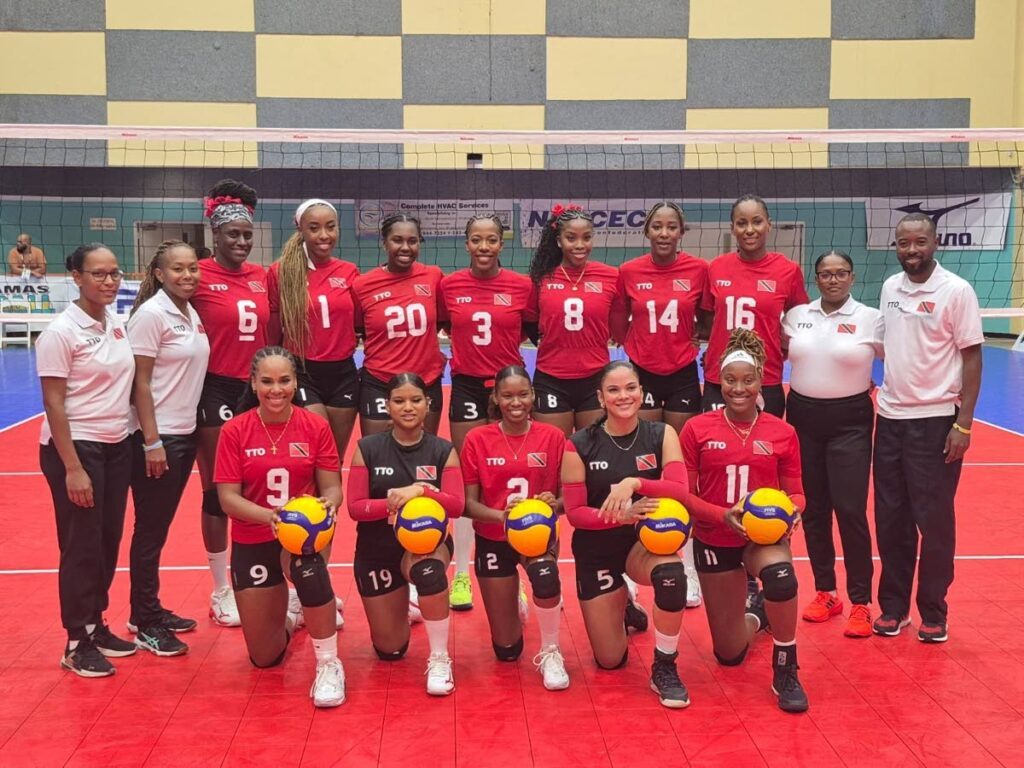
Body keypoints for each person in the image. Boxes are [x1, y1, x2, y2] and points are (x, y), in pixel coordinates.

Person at [681, 329, 809, 713]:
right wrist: (720, 515)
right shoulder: (697, 429)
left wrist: (792, 512)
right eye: (730, 380)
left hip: (761, 536)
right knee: (730, 654)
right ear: (718, 381)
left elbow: (797, 493)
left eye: (748, 380)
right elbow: (684, 495)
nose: (739, 389)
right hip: (714, 536)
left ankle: (786, 667)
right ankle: (757, 613)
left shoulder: (783, 432)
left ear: (761, 381)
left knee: (781, 577)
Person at [872, 212, 983, 643]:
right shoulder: (889, 287)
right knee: (891, 519)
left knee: (933, 522)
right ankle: (894, 608)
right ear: (896, 246)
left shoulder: (956, 290)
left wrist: (964, 424)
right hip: (890, 419)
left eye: (920, 242)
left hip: (936, 421)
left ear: (935, 243)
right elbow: (886, 344)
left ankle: (934, 611)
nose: (912, 250)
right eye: (904, 243)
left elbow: (972, 356)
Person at [214, 346, 345, 708]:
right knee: (264, 657)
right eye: (267, 381)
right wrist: (272, 517)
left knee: (308, 570)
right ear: (253, 383)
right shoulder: (235, 430)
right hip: (254, 536)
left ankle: (329, 663)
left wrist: (328, 504)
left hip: (303, 536)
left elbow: (333, 487)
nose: (276, 390)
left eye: (284, 381)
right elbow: (227, 499)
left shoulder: (315, 425)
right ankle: (292, 614)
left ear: (295, 383)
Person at [560, 361, 693, 708]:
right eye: (614, 390)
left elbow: (679, 490)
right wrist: (621, 516)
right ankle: (625, 606)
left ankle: (665, 666)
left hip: (641, 544)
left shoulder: (662, 434)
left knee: (671, 575)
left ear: (641, 392)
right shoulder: (578, 445)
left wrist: (634, 483)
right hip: (596, 549)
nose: (624, 396)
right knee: (610, 660)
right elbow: (575, 513)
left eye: (631, 388)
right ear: (600, 398)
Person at [37, 243, 136, 677]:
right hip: (77, 448)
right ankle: (76, 641)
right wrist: (73, 467)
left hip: (117, 445)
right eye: (98, 273)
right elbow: (53, 403)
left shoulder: (115, 323)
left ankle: (95, 624)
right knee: (80, 545)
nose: (109, 281)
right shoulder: (61, 332)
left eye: (114, 273)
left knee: (107, 540)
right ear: (76, 277)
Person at [346, 373, 465, 696]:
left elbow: (456, 505)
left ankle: (439, 657)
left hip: (426, 545)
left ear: (428, 404)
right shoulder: (367, 448)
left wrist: (422, 491)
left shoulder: (442, 450)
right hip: (376, 549)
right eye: (399, 401)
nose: (408, 407)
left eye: (416, 400)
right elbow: (355, 507)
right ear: (387, 406)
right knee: (391, 649)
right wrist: (394, 502)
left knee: (429, 573)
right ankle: (408, 604)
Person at [439, 213, 534, 613]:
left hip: (507, 388)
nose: (483, 246)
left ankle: (516, 571)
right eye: (476, 239)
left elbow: (528, 329)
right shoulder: (448, 285)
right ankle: (461, 573)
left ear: (501, 243)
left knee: (511, 475)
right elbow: (445, 326)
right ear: (466, 244)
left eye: (491, 239)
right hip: (465, 385)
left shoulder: (521, 286)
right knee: (467, 481)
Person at [782, 250, 880, 638]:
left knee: (850, 509)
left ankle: (861, 602)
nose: (833, 279)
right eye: (825, 273)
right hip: (802, 419)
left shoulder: (870, 318)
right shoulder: (796, 316)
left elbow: (901, 358)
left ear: (852, 278)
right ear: (817, 278)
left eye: (841, 273)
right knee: (814, 509)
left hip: (850, 422)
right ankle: (826, 592)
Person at [618, 201, 710, 609]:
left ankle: (685, 564)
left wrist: (693, 340)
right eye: (657, 226)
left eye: (672, 227)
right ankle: (631, 566)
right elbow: (619, 321)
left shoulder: (698, 270)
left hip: (682, 372)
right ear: (647, 231)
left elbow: (706, 318)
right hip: (643, 372)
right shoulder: (629, 271)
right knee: (641, 463)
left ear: (681, 232)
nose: (664, 233)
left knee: (679, 467)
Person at [460, 366, 569, 690]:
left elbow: (570, 497)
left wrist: (553, 504)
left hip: (538, 535)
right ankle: (514, 596)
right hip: (494, 538)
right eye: (507, 396)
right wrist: (501, 517)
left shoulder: (553, 437)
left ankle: (551, 650)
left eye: (523, 394)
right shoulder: (477, 439)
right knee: (507, 650)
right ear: (496, 398)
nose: (516, 402)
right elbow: (466, 504)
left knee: (546, 578)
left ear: (533, 396)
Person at [190, 179, 268, 627]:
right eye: (232, 234)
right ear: (215, 235)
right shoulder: (198, 276)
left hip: (258, 391)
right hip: (216, 389)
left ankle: (272, 579)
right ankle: (221, 589)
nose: (241, 241)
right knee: (219, 492)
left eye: (246, 234)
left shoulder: (262, 277)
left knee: (264, 484)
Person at [125, 241, 210, 656]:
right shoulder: (151, 315)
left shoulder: (189, 311)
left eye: (193, 267)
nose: (188, 275)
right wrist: (152, 440)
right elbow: (138, 382)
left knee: (157, 529)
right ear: (159, 274)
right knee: (150, 530)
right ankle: (145, 622)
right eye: (178, 269)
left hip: (183, 433)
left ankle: (147, 608)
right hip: (159, 438)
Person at [267, 199, 361, 456]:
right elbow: (273, 329)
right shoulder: (281, 272)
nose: (324, 235)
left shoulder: (350, 271)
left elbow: (361, 321)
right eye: (314, 228)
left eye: (330, 226)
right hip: (303, 371)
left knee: (334, 457)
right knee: (314, 450)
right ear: (301, 230)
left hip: (343, 373)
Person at [701, 195, 809, 417]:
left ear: (769, 224)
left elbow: (801, 321)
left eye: (757, 221)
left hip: (766, 377)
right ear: (732, 228)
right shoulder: (716, 268)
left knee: (765, 439)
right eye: (742, 223)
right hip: (720, 376)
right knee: (716, 439)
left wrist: (783, 348)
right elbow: (708, 320)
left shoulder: (788, 270)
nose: (749, 230)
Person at [527, 204, 626, 436]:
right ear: (559, 241)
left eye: (586, 238)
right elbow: (529, 320)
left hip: (595, 377)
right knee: (554, 450)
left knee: (593, 450)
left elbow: (621, 320)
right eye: (571, 238)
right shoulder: (541, 278)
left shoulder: (611, 276)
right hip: (551, 378)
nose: (580, 245)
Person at [352, 215, 446, 437]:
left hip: (426, 380)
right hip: (380, 381)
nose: (405, 247)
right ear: (384, 242)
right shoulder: (362, 285)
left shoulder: (433, 276)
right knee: (376, 452)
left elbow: (442, 320)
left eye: (412, 241)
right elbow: (359, 329)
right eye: (397, 240)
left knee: (425, 452)